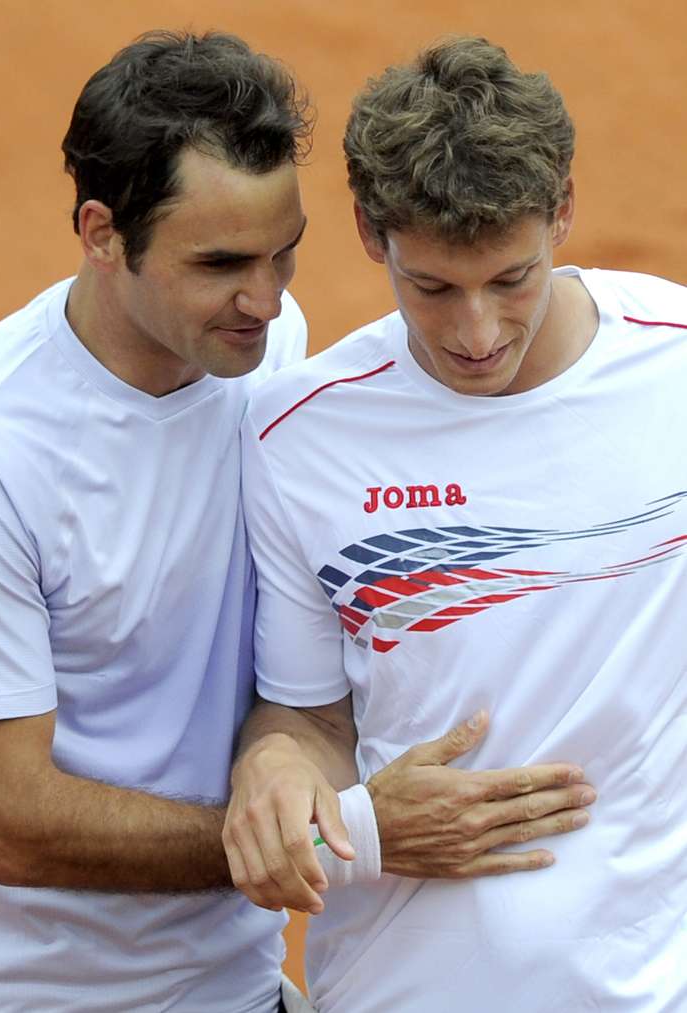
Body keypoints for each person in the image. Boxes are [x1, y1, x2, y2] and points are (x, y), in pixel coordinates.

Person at [225, 36, 687, 1012]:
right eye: (432, 287)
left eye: (512, 278)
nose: (476, 335)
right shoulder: (298, 436)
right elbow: (308, 712)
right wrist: (277, 767)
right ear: (368, 232)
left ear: (563, 208)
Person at [0, 30, 313, 1012]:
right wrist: (316, 834)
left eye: (285, 254)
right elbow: (14, 820)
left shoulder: (263, 347)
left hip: (238, 983)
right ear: (101, 233)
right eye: (221, 263)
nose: (263, 300)